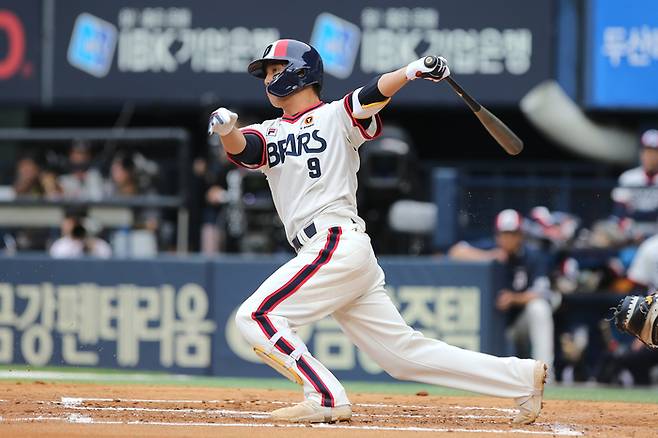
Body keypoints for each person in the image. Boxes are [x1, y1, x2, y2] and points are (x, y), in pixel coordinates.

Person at [208, 40, 546, 425]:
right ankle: (520, 378)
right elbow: (246, 150)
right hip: (335, 252)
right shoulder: (268, 131)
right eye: (265, 73)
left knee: (254, 316)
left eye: (273, 70)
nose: (267, 79)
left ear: (299, 72)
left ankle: (324, 395)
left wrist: (411, 71)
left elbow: (370, 95)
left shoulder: (335, 116)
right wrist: (227, 130)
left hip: (333, 241)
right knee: (401, 356)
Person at [449, 209, 555, 378]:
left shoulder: (532, 256)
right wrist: (489, 256)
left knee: (539, 308)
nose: (508, 239)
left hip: (519, 322)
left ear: (521, 235)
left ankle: (545, 375)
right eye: (504, 234)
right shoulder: (492, 248)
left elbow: (542, 292)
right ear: (497, 235)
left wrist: (514, 298)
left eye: (512, 234)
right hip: (492, 322)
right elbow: (456, 252)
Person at [611, 128, 658, 235]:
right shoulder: (628, 177)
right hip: (632, 232)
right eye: (648, 152)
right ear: (642, 153)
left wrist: (634, 214)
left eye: (655, 152)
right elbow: (619, 212)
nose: (651, 156)